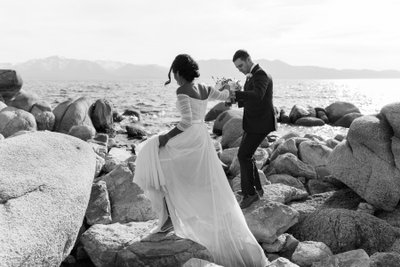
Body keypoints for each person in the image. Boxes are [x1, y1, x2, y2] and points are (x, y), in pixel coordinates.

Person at [134, 54, 268, 267]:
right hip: (201, 137)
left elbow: (186, 122)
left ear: (179, 72)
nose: (175, 79)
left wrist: (165, 138)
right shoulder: (204, 88)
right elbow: (226, 97)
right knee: (194, 177)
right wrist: (229, 88)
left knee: (154, 154)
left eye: (175, 74)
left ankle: (168, 218)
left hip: (189, 136)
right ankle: (172, 216)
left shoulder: (182, 90)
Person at [232, 49, 277, 209]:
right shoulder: (252, 75)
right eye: (238, 68)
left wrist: (237, 94)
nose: (240, 69)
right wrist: (231, 98)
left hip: (261, 123)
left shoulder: (261, 74)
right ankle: (255, 189)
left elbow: (258, 95)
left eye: (241, 65)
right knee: (246, 155)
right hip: (252, 122)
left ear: (248, 59)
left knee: (243, 155)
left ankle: (250, 195)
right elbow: (248, 99)